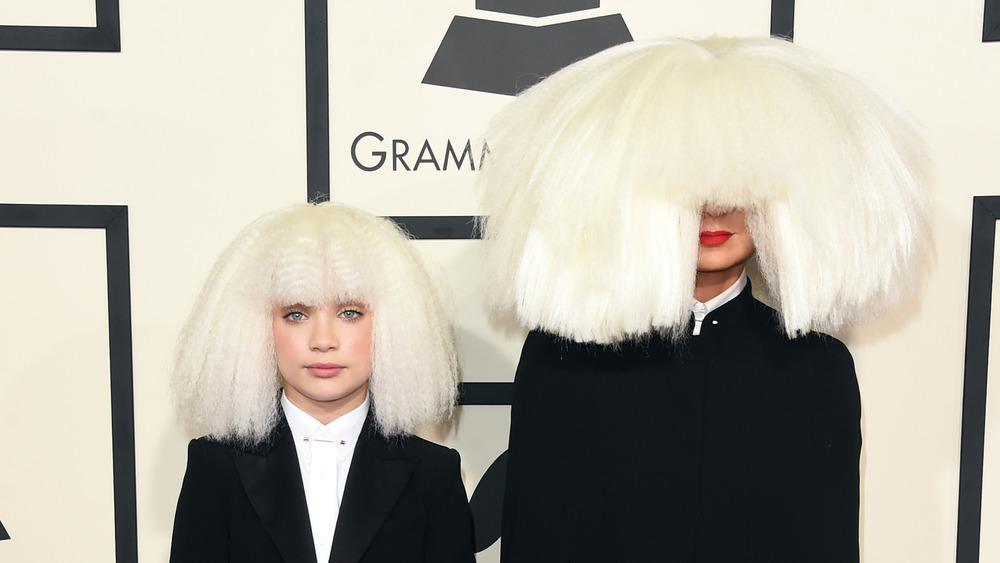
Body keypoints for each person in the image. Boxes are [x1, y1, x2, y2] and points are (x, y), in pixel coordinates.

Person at [477, 36, 932, 562]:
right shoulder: (560, 359)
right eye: (689, 188)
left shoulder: (816, 369)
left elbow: (823, 543)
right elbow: (538, 537)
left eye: (739, 187)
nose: (716, 210)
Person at [169, 202, 476, 563]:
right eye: (296, 314)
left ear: (393, 324)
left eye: (350, 313)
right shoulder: (216, 465)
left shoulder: (433, 473)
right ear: (257, 327)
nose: (323, 339)